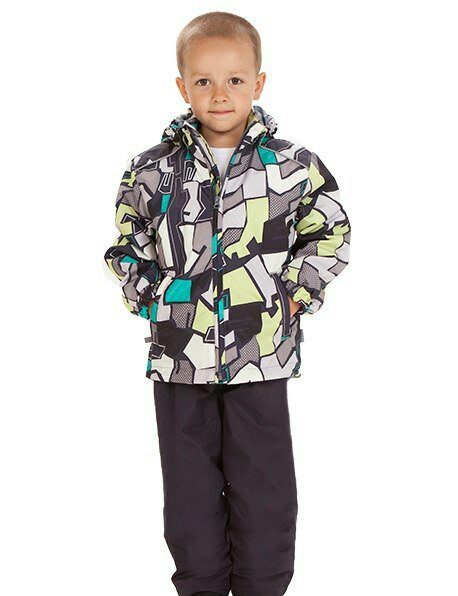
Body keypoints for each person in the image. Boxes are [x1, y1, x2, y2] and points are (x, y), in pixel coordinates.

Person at [103, 10, 351, 596]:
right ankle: (202, 586)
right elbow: (127, 245)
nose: (220, 94)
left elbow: (331, 232)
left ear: (258, 83)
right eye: (204, 81)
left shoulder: (290, 166)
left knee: (264, 487)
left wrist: (294, 295)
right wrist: (154, 300)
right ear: (182, 86)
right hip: (179, 358)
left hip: (260, 355)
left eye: (235, 79)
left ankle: (263, 586)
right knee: (188, 492)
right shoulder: (153, 169)